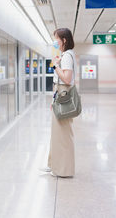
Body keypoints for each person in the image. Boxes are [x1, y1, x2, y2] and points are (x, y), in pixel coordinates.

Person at [41, 28, 76, 178]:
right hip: (60, 95)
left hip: (64, 94)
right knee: (57, 133)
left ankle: (63, 170)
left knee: (63, 135)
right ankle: (54, 164)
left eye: (56, 39)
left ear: (64, 40)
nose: (55, 42)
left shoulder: (67, 56)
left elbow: (67, 79)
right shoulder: (65, 55)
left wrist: (55, 66)